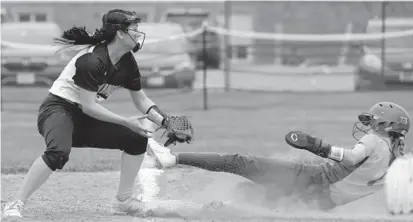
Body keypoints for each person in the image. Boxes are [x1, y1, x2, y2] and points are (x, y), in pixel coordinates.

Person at [3, 9, 184, 219]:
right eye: (134, 29)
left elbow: (141, 99)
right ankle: (16, 202)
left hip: (85, 116)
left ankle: (123, 201)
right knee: (58, 153)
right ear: (120, 34)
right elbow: (89, 106)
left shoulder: (127, 61)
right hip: (58, 109)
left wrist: (165, 121)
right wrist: (125, 121)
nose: (138, 33)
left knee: (136, 139)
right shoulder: (92, 59)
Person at [147, 102, 411, 211]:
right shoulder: (398, 160)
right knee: (252, 197)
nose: (367, 126)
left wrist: (319, 146)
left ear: (385, 127)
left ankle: (172, 158)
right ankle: (220, 210)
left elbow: (352, 158)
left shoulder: (375, 140)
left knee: (240, 162)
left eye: (373, 121)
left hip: (312, 178)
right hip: (322, 202)